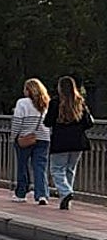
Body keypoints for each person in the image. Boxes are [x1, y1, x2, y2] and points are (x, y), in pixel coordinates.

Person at [43, 75, 95, 210]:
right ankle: (65, 199)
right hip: (78, 141)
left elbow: (48, 122)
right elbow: (88, 123)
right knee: (70, 169)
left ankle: (66, 192)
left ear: (60, 88)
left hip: (61, 141)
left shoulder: (55, 102)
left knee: (56, 169)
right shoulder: (80, 102)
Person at [9, 78, 50, 204]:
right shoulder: (45, 102)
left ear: (28, 90)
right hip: (43, 137)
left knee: (23, 165)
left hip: (25, 137)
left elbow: (17, 121)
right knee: (40, 167)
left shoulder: (22, 103)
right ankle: (42, 194)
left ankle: (21, 193)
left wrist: (14, 136)